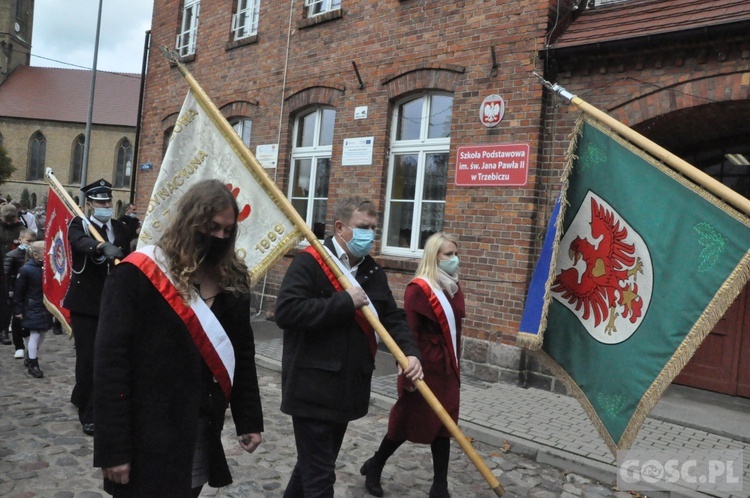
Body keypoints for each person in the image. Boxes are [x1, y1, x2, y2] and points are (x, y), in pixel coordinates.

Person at [93, 179, 263, 497]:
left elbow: (241, 352)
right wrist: (113, 449)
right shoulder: (138, 275)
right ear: (190, 222)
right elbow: (110, 365)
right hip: (144, 430)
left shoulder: (232, 280)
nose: (219, 238)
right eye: (212, 227)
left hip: (198, 426)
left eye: (227, 231)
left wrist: (249, 418)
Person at [275, 196, 424, 498]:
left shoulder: (371, 271)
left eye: (373, 228)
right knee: (320, 479)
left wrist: (410, 352)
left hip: (347, 388)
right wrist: (345, 302)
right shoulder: (310, 262)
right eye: (362, 227)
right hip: (312, 386)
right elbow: (287, 312)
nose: (369, 234)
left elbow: (392, 317)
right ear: (340, 227)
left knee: (312, 467)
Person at [360, 232, 465, 498]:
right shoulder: (419, 289)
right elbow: (409, 333)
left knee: (445, 424)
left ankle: (439, 486)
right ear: (434, 257)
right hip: (423, 368)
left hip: (447, 369)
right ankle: (375, 465)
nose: (455, 259)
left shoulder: (452, 286)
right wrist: (406, 377)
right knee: (405, 423)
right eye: (448, 255)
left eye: (455, 253)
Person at [63, 179, 131, 436]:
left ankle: (83, 394)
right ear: (89, 204)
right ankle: (89, 414)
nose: (105, 206)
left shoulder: (120, 228)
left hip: (114, 302)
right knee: (89, 358)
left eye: (108, 201)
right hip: (87, 304)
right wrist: (101, 246)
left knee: (112, 356)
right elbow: (79, 243)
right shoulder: (80, 224)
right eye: (100, 202)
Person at [13, 241, 53, 378]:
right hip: (32, 305)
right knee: (35, 333)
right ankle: (33, 363)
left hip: (44, 305)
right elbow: (19, 292)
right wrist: (18, 310)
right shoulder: (26, 270)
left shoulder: (47, 268)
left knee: (43, 333)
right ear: (36, 255)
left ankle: (31, 354)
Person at [4, 227, 36, 359]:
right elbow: (6, 275)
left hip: (32, 292)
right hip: (16, 292)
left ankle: (30, 342)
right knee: (17, 318)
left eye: (33, 241)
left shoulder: (36, 255)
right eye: (28, 241)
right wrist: (8, 291)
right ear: (21, 239)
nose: (30, 244)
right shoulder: (12, 255)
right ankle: (19, 346)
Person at [0, 204, 24, 346]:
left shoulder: (21, 230)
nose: (8, 221)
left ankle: (4, 331)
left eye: (11, 218)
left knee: (7, 302)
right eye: (5, 218)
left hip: (13, 271)